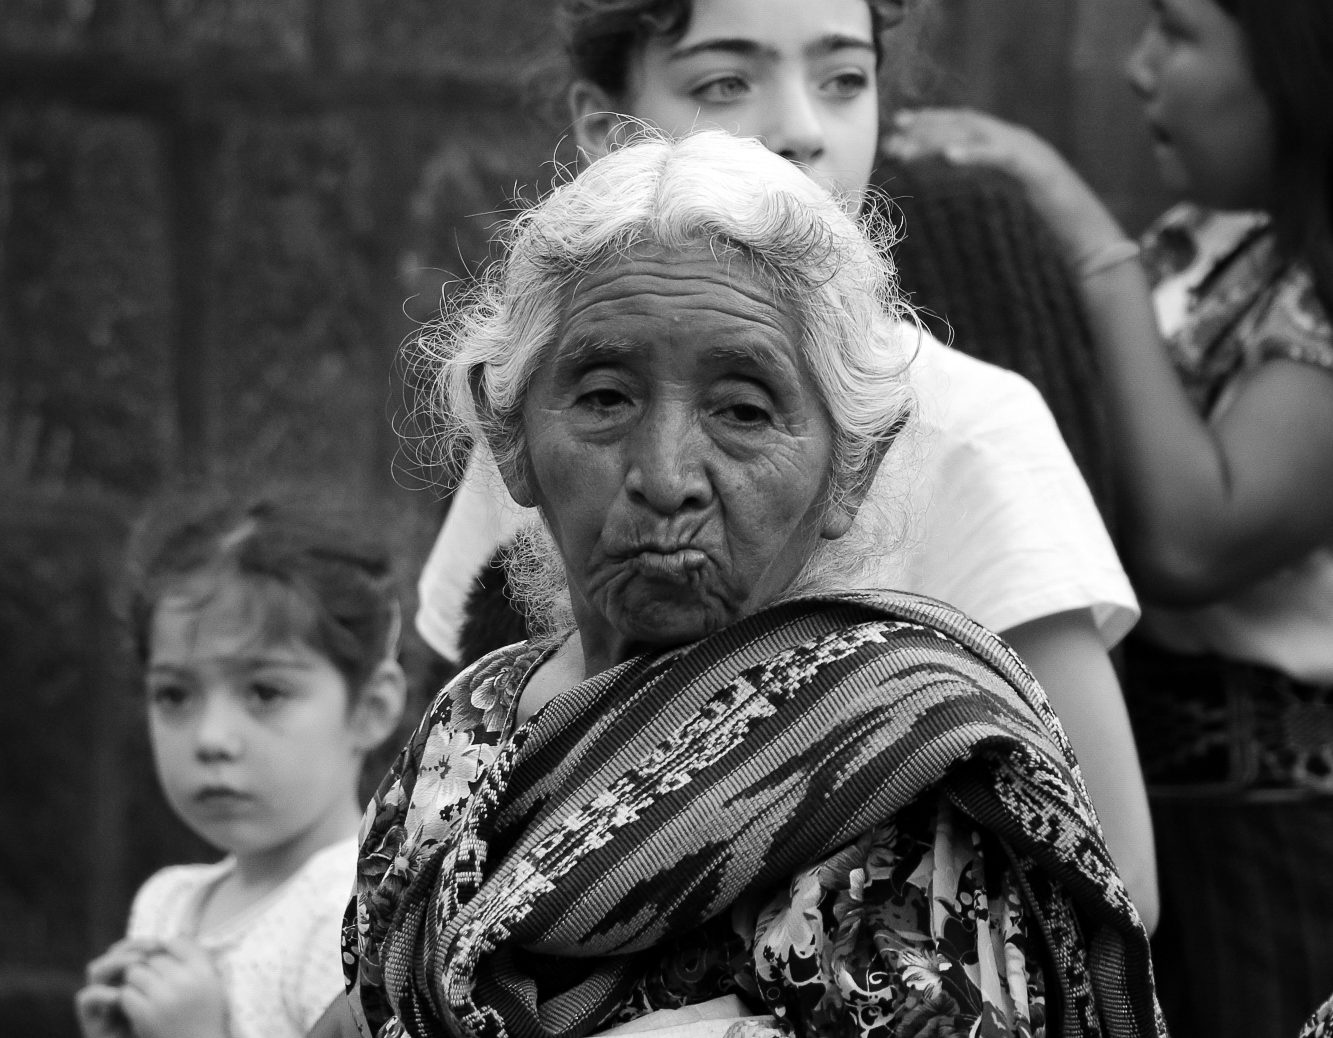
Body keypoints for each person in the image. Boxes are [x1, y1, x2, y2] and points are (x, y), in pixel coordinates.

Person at [336, 129, 1161, 1038]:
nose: (665, 476)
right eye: (605, 398)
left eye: (742, 411)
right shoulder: (464, 730)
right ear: (510, 441)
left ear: (850, 468)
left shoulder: (909, 767)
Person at [884, 1, 1333, 1035]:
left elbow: (1194, 537)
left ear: (1295, 63)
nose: (1140, 69)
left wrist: (1081, 228)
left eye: (1177, 32)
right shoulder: (1211, 246)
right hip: (1161, 802)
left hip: (1278, 845)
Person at [75, 487, 407, 1038]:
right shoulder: (168, 903)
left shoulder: (360, 916)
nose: (211, 739)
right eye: (174, 694)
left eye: (264, 692)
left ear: (371, 708)